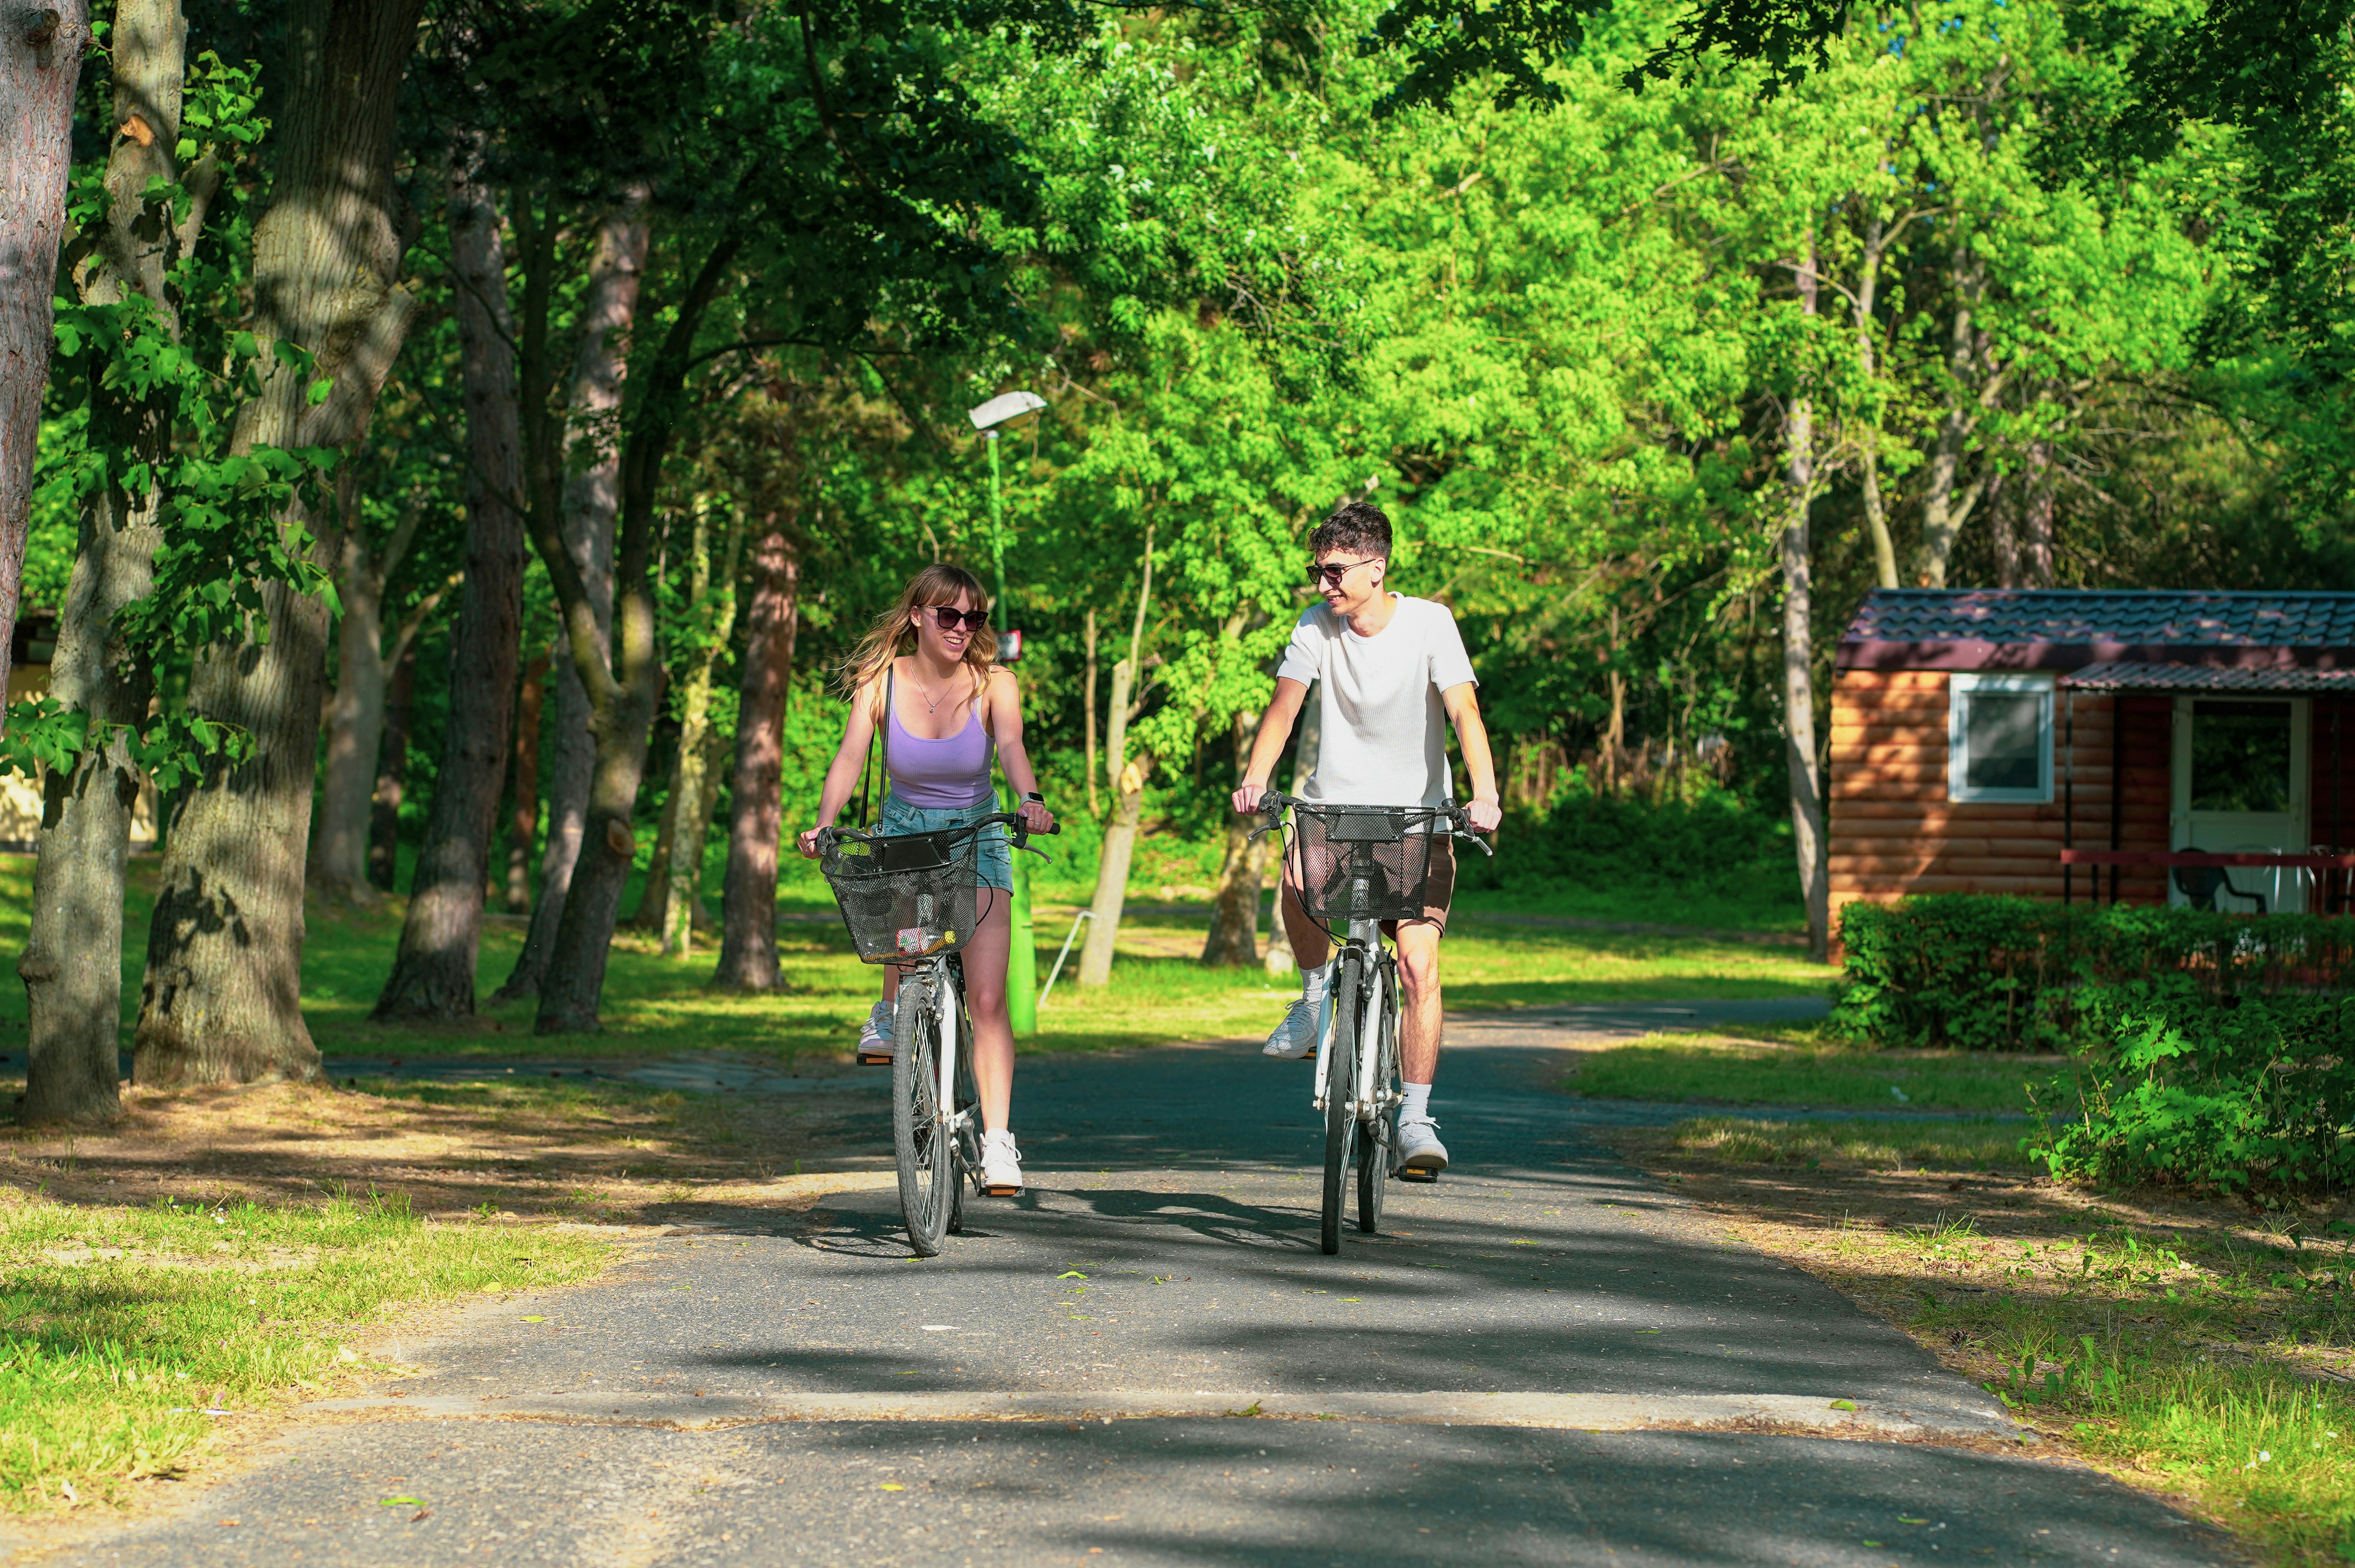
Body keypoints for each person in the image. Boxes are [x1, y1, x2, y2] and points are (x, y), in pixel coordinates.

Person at [1230, 502, 1501, 1178]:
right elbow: (1284, 706)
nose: (1323, 585)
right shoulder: (1315, 626)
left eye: (1333, 572)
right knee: (1294, 871)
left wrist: (1485, 793)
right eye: (1317, 572)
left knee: (1416, 964)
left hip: (1415, 818)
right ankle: (1315, 995)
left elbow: (1463, 710)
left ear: (1375, 569)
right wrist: (1256, 777)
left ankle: (1415, 1118)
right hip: (1337, 811)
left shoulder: (1431, 623)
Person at [798, 564, 1055, 1196]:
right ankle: (892, 1013)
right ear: (917, 615)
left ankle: (997, 1142)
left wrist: (1030, 798)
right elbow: (852, 755)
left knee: (989, 1000)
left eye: (974, 618)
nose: (962, 629)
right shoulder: (878, 681)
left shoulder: (996, 683)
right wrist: (822, 824)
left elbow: (1013, 748)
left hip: (977, 832)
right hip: (906, 833)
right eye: (949, 616)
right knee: (909, 953)